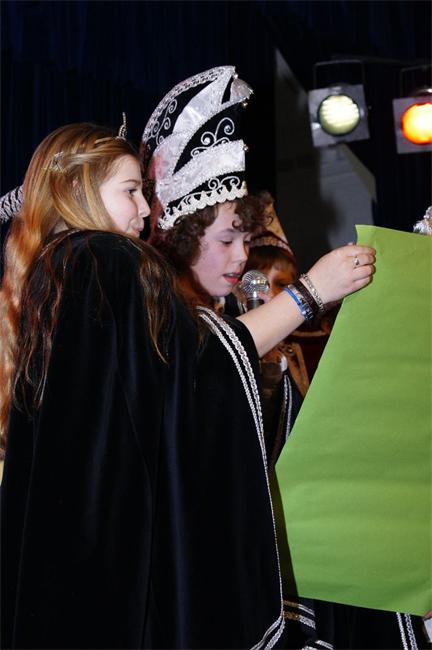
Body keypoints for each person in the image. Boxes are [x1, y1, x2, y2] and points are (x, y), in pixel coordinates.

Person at [1, 79, 373, 650]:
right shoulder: (105, 258)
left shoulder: (60, 269)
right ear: (78, 189)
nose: (145, 210)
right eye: (131, 191)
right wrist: (309, 294)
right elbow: (194, 371)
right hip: (116, 568)